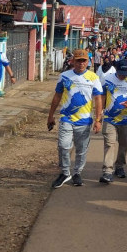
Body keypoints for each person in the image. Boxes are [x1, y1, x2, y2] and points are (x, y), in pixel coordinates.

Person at [47, 49, 103, 188]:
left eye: (84, 60)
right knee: (63, 146)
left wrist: (98, 120)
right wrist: (50, 115)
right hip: (66, 118)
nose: (81, 63)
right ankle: (65, 173)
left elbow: (98, 99)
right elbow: (57, 96)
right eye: (78, 60)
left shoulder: (93, 77)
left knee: (81, 149)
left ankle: (77, 172)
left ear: (88, 62)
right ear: (73, 61)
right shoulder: (65, 76)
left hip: (84, 121)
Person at [100, 59, 127, 183]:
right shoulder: (107, 79)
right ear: (116, 69)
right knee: (109, 143)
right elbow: (101, 96)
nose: (123, 76)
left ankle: (120, 166)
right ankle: (107, 171)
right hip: (110, 118)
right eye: (120, 73)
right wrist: (99, 113)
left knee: (123, 145)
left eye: (125, 73)